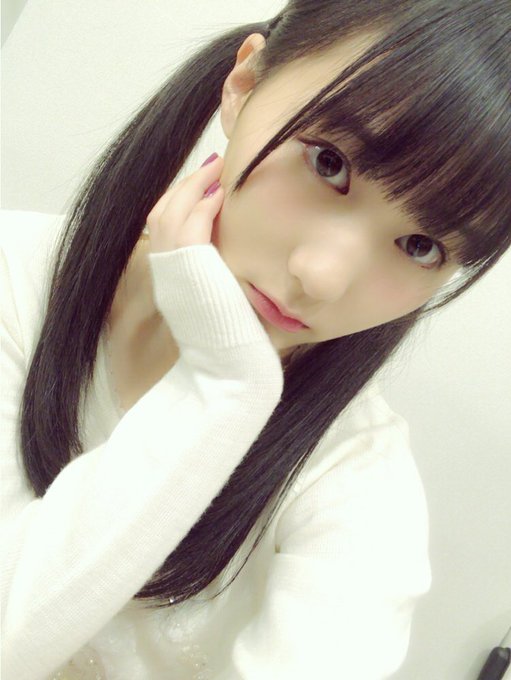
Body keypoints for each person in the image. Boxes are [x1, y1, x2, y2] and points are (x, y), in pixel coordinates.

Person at [1, 1, 509, 678]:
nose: (322, 277)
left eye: (421, 246)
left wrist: (226, 380)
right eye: (328, 162)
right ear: (243, 83)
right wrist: (219, 387)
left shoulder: (354, 483)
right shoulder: (15, 277)